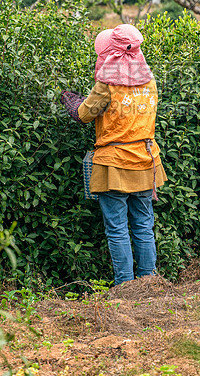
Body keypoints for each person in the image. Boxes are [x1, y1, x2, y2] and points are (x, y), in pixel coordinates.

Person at [61, 24, 168, 286]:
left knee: (117, 229)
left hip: (114, 165)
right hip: (146, 161)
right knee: (144, 225)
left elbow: (84, 115)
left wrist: (70, 100)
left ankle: (124, 286)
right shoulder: (150, 81)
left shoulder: (107, 84)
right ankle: (148, 284)